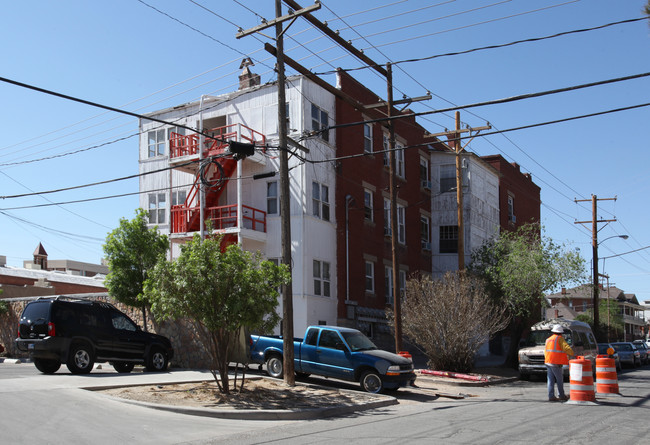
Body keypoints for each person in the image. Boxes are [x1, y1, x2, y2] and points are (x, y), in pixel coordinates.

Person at [544, 324, 574, 402]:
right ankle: (561, 395)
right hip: (555, 362)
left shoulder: (548, 339)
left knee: (550, 380)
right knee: (559, 379)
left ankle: (551, 396)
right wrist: (572, 353)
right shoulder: (560, 339)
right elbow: (566, 348)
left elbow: (546, 351)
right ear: (561, 333)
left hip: (548, 361)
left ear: (553, 331)